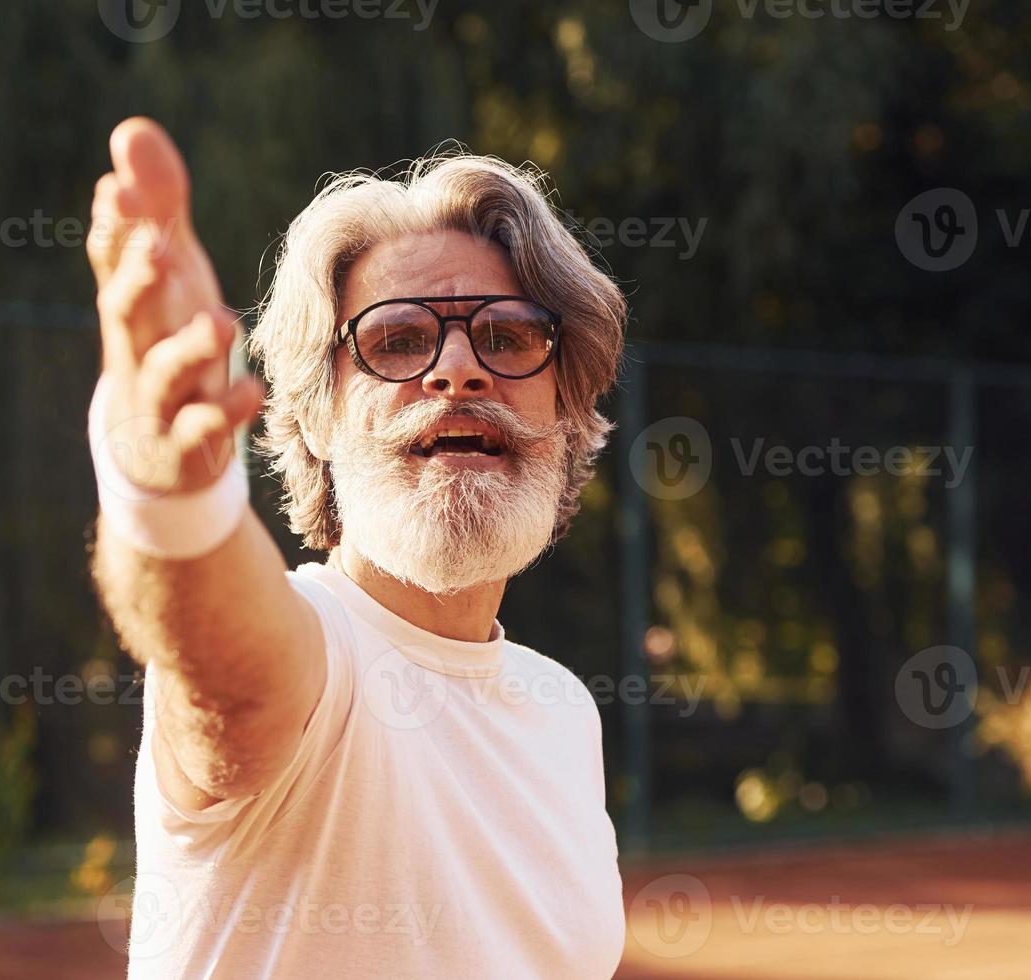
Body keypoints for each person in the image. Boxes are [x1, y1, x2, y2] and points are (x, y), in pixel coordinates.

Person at [86, 116, 629, 978]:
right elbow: (227, 682)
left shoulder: (563, 711)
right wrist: (167, 495)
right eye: (397, 339)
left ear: (565, 412)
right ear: (317, 419)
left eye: (510, 335)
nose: (459, 370)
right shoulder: (316, 655)